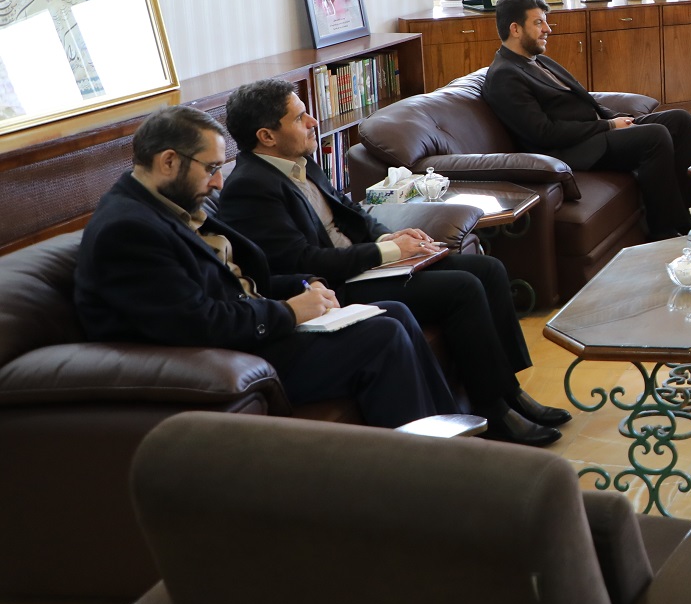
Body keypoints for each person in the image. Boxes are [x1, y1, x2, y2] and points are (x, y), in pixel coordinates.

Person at [215, 79, 567, 446]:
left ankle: (509, 392)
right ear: (267, 136)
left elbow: (352, 211)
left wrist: (390, 238)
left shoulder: (299, 159)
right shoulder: (250, 187)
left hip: (363, 264)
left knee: (488, 270)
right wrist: (390, 253)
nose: (313, 122)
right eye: (300, 117)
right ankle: (493, 410)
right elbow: (302, 260)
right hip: (336, 285)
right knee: (462, 288)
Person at [73, 105, 454, 429]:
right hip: (229, 357)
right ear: (169, 161)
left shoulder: (171, 203)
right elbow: (195, 323)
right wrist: (289, 312)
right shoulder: (128, 230)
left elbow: (238, 281)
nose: (219, 182)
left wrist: (306, 285)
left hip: (254, 327)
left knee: (394, 312)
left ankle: (452, 437)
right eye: (211, 168)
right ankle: (420, 469)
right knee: (382, 337)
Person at [479, 0, 691, 239]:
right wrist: (609, 126)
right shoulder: (505, 75)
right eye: (538, 23)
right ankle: (663, 232)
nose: (547, 29)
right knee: (655, 136)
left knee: (680, 121)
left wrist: (619, 118)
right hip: (573, 149)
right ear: (515, 29)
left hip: (592, 130)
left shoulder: (538, 60)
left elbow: (584, 99)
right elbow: (543, 133)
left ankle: (684, 221)